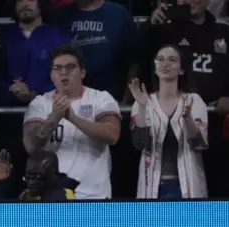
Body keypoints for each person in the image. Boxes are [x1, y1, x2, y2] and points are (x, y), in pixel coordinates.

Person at [22, 45, 121, 199]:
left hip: (95, 195)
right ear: (52, 75)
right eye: (58, 68)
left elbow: (112, 135)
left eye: (70, 67)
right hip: (53, 197)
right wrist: (53, 118)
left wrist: (73, 118)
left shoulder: (101, 98)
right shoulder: (40, 103)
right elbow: (30, 145)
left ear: (82, 72)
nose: (63, 73)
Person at [129, 45, 208, 199]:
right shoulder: (143, 101)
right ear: (155, 67)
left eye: (172, 60)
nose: (165, 64)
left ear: (181, 69)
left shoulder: (194, 101)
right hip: (152, 188)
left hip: (187, 187)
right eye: (160, 59)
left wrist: (187, 118)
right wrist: (143, 108)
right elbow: (139, 144)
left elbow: (199, 144)